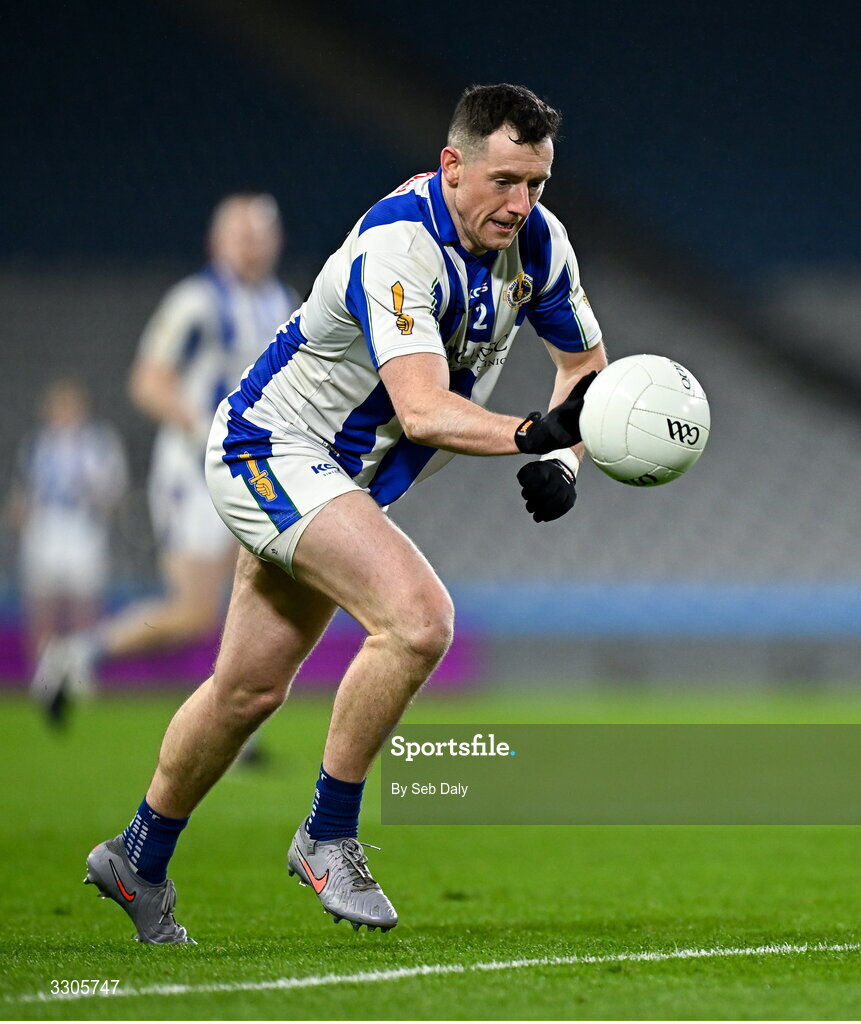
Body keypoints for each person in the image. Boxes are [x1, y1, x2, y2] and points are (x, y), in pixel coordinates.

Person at [82, 83, 607, 943]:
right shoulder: (402, 245)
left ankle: (137, 858)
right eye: (505, 180)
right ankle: (327, 835)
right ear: (452, 165)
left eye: (537, 184)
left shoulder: (540, 246)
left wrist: (566, 458)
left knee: (248, 690)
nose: (522, 204)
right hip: (271, 451)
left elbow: (584, 367)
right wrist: (529, 433)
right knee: (419, 621)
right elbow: (425, 407)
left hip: (338, 480)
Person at [32, 193, 299, 727]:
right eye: (242, 234)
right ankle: (77, 655)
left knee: (254, 598)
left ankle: (233, 728)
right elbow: (148, 383)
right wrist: (207, 429)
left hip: (254, 469)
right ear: (217, 241)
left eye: (261, 234)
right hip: (195, 473)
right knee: (196, 610)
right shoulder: (196, 302)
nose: (253, 244)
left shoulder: (283, 301)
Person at [10, 378, 127, 666]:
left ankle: (79, 670)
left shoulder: (99, 444)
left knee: (84, 605)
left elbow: (113, 489)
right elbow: (25, 491)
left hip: (82, 527)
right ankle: (42, 670)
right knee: (41, 605)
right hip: (46, 526)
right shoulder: (37, 444)